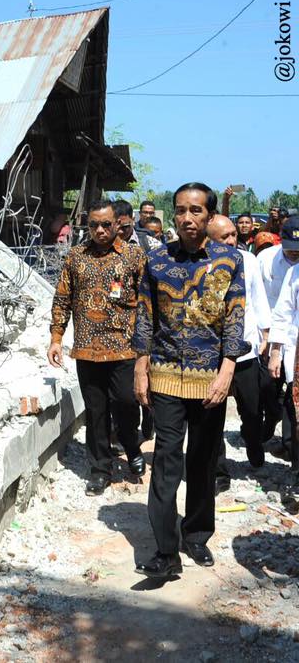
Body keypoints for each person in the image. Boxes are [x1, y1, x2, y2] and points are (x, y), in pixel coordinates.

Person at [133, 183, 248, 578]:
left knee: (202, 459)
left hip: (210, 379)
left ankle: (196, 536)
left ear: (209, 215)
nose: (187, 218)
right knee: (166, 459)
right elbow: (145, 317)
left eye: (196, 211)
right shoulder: (157, 260)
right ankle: (166, 551)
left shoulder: (230, 260)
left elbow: (235, 318)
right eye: (180, 210)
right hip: (164, 376)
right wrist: (140, 369)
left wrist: (227, 372)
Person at [48, 199, 147, 496]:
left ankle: (131, 445)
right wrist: (56, 337)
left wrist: (147, 346)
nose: (100, 230)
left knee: (127, 405)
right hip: (88, 350)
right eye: (94, 225)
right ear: (86, 225)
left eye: (106, 224)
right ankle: (100, 469)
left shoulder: (134, 256)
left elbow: (148, 303)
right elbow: (62, 299)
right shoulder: (77, 257)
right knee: (96, 412)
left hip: (124, 348)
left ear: (118, 224)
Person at [208, 215, 271, 492]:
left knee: (252, 408)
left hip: (244, 350)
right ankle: (219, 470)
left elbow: (259, 299)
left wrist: (265, 334)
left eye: (234, 235)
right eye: (225, 237)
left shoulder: (250, 261)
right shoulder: (201, 264)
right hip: (211, 353)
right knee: (211, 415)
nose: (232, 240)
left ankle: (254, 444)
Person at [257, 217, 299, 447]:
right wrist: (269, 342)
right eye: (290, 249)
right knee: (267, 386)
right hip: (270, 335)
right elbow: (261, 299)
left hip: (292, 341)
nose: (294, 254)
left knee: (293, 395)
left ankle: (289, 444)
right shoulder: (265, 259)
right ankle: (270, 417)